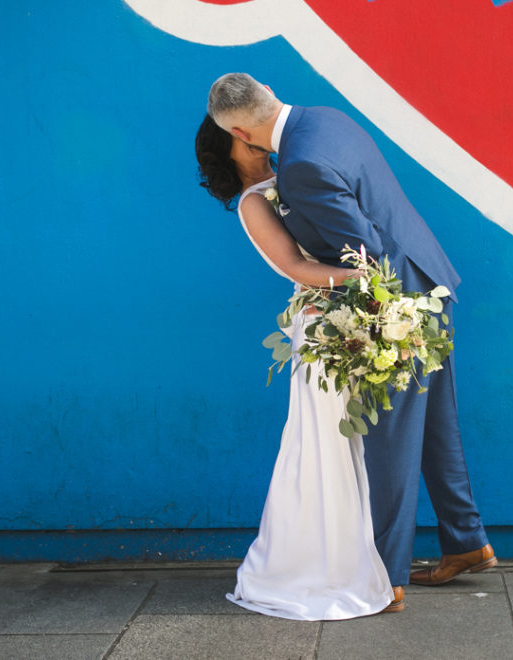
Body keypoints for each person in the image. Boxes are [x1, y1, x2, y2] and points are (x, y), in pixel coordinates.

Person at [206, 73, 495, 612]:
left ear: (241, 131)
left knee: (389, 443)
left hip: (397, 307)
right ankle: (469, 542)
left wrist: (376, 325)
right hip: (428, 283)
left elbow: (366, 256)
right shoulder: (325, 119)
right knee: (435, 429)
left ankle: (388, 578)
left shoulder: (299, 166)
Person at [194, 114, 394, 619]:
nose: (252, 138)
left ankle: (361, 559)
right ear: (228, 147)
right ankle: (314, 568)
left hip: (346, 319)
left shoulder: (297, 173)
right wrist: (363, 279)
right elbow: (296, 266)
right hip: (322, 325)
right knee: (323, 447)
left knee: (353, 446)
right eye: (239, 136)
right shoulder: (255, 202)